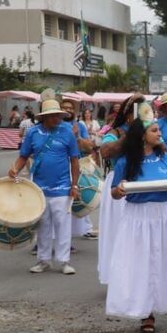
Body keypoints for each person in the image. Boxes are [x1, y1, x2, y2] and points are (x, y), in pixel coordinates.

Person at [107, 108, 167, 333]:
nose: (160, 134)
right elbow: (114, 193)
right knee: (143, 264)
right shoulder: (125, 162)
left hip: (164, 215)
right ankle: (147, 314)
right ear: (142, 135)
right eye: (155, 130)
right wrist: (119, 190)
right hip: (137, 217)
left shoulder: (165, 158)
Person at [8, 97, 79, 275]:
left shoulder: (67, 131)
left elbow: (74, 160)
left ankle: (64, 261)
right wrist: (15, 168)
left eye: (58, 115)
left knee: (63, 224)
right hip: (38, 188)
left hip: (62, 187)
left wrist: (75, 185)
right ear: (44, 117)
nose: (57, 118)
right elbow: (24, 155)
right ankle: (43, 260)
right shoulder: (33, 133)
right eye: (53, 115)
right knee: (43, 225)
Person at [97, 95, 138, 284]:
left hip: (141, 182)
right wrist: (129, 137)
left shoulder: (149, 131)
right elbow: (105, 152)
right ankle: (118, 277)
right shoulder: (115, 131)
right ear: (128, 114)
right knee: (118, 231)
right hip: (118, 184)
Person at [61, 98, 97, 239]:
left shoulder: (79, 125)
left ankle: (85, 229)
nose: (68, 110)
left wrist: (77, 137)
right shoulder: (54, 125)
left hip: (78, 165)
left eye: (70, 108)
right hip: (60, 168)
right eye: (64, 107)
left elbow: (89, 146)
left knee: (79, 199)